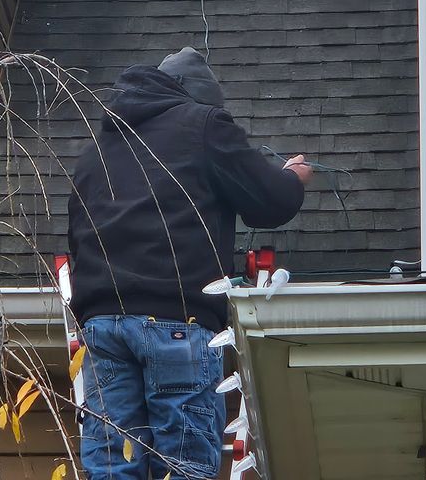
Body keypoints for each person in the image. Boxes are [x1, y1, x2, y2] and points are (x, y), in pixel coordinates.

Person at [67, 47, 312, 480]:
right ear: (196, 98)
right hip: (176, 322)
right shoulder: (204, 124)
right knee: (184, 466)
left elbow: (77, 235)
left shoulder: (97, 150)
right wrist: (292, 178)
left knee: (113, 468)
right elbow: (268, 201)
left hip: (102, 327)